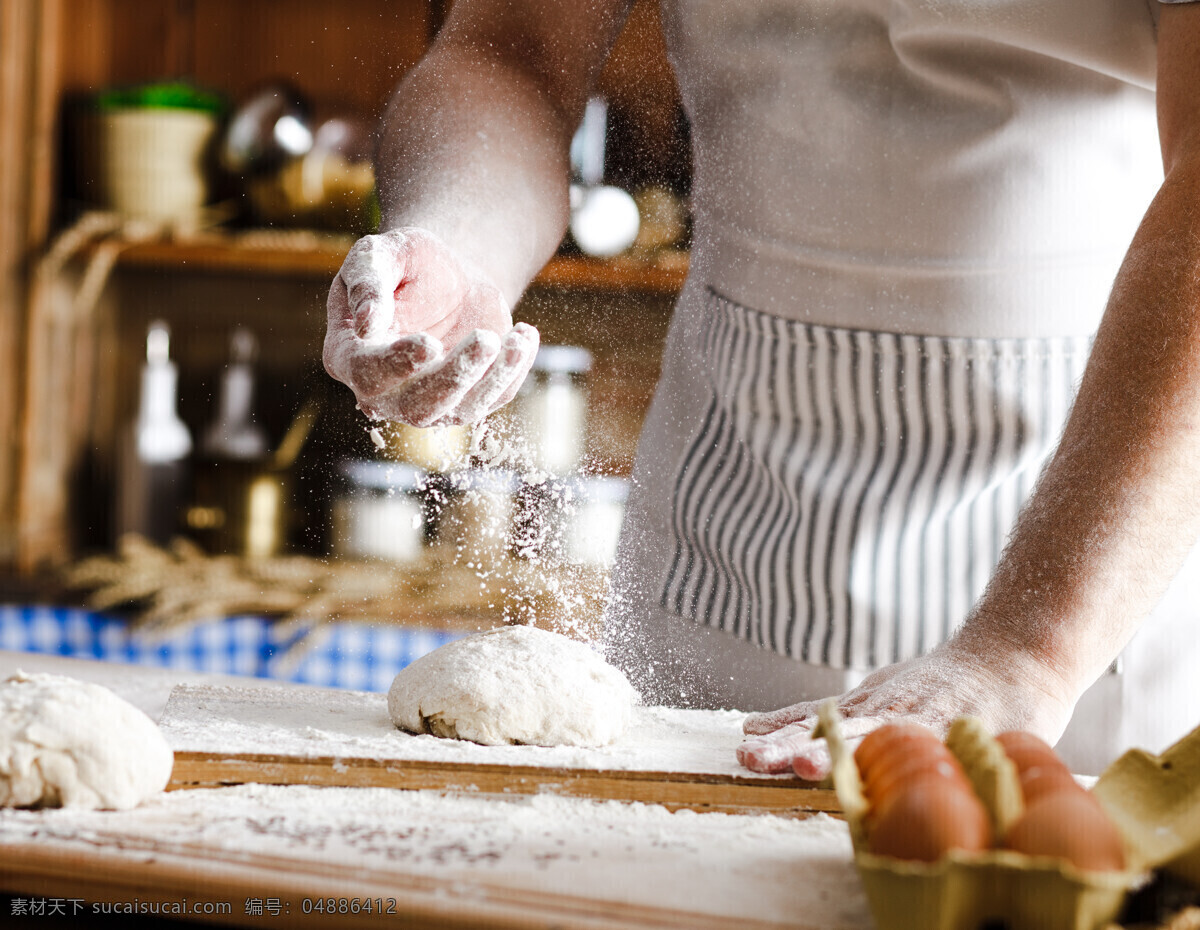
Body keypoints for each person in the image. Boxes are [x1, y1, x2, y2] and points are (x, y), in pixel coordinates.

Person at [324, 0, 1200, 777]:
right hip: (734, 493)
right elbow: (514, 49)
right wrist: (456, 240)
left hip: (1103, 518)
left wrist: (1030, 651)